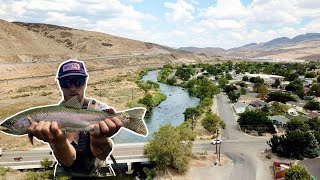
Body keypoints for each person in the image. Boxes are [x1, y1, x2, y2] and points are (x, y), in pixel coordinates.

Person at [27, 60, 123, 177]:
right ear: (60, 85)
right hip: (68, 172)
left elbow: (102, 155)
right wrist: (58, 140)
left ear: (85, 83)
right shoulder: (52, 117)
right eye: (66, 83)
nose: (72, 88)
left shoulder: (100, 109)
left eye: (78, 82)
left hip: (97, 169)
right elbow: (68, 160)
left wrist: (100, 139)